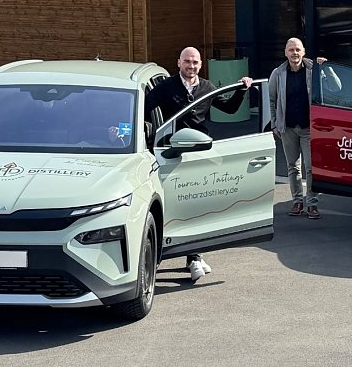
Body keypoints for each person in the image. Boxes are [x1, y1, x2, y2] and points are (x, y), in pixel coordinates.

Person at [143, 46, 252, 283]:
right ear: (179, 63)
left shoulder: (206, 87)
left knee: (199, 202)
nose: (191, 66)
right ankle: (193, 257)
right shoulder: (167, 87)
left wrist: (242, 89)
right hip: (175, 153)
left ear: (200, 65)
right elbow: (144, 110)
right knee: (181, 203)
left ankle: (195, 254)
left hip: (201, 150)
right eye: (187, 62)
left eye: (195, 63)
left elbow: (229, 108)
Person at [267, 38, 340, 220]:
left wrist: (327, 69)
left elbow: (336, 88)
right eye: (291, 50)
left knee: (311, 168)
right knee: (293, 167)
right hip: (288, 128)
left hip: (309, 128)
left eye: (298, 49)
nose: (295, 53)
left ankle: (312, 204)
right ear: (285, 53)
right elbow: (272, 100)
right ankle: (297, 201)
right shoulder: (278, 73)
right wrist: (275, 124)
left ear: (304, 51)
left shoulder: (314, 70)